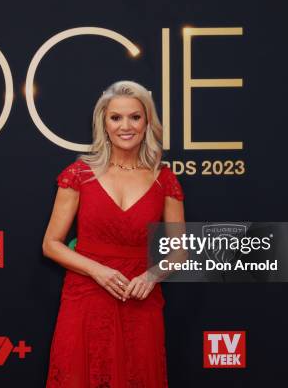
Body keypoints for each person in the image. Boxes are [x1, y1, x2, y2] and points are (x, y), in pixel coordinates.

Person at [43, 80, 185, 387]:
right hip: (86, 298)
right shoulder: (78, 174)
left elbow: (180, 251)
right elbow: (51, 244)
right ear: (103, 123)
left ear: (148, 122)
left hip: (139, 297)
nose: (126, 126)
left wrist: (152, 276)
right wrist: (98, 271)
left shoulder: (164, 179)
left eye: (135, 117)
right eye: (116, 117)